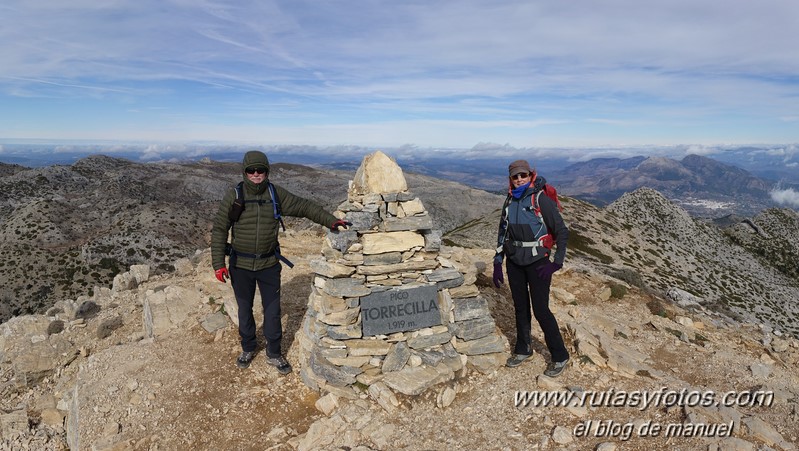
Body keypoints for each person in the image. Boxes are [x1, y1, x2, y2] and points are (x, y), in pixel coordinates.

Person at [211, 150, 349, 374]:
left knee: (273, 310)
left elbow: (304, 207)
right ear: (244, 172)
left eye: (261, 170)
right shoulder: (234, 195)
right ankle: (248, 348)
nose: (256, 174)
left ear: (267, 171)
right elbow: (219, 229)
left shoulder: (275, 194)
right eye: (251, 170)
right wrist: (218, 263)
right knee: (244, 309)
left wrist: (331, 221)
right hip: (240, 265)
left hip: (268, 265)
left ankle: (274, 353)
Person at [492, 159, 570, 377]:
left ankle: (560, 355)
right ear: (511, 179)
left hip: (538, 263)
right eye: (515, 176)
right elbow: (502, 232)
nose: (519, 180)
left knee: (541, 310)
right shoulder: (509, 201)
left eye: (523, 175)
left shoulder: (540, 199)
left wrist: (556, 262)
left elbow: (562, 231)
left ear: (531, 176)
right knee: (520, 308)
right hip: (514, 261)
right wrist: (497, 262)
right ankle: (523, 349)